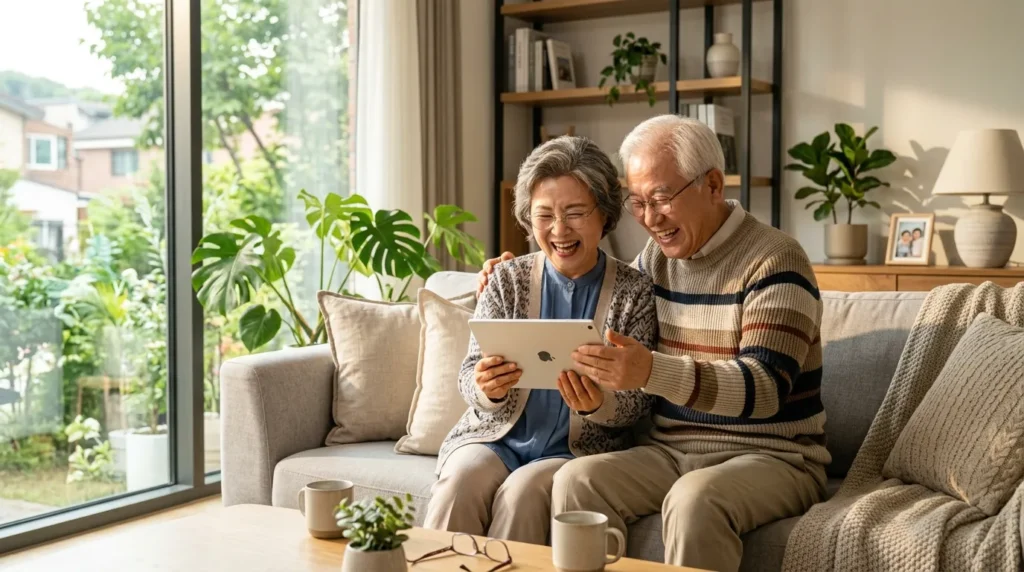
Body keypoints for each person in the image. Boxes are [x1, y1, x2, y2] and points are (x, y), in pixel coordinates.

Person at [477, 116, 828, 572]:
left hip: (774, 456)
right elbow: (599, 284)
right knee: (576, 479)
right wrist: (514, 271)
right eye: (637, 202)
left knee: (695, 500)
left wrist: (650, 371)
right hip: (669, 450)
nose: (648, 218)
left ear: (714, 185)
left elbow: (763, 390)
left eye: (661, 198)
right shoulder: (657, 260)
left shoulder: (776, 259)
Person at [424, 136, 658, 545]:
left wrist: (599, 405)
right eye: (544, 215)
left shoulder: (633, 293)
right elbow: (468, 376)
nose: (559, 230)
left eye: (574, 213)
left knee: (523, 493)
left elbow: (639, 402)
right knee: (461, 479)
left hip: (574, 453)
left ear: (603, 214)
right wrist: (486, 389)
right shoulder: (506, 280)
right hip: (494, 437)